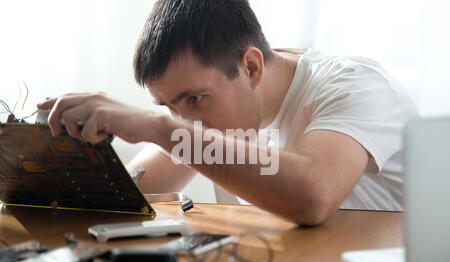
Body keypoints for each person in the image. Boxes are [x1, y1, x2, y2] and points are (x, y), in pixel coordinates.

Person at [37, 0, 419, 226]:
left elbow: (312, 197)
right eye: (168, 106)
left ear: (251, 67)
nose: (185, 121)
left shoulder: (355, 85)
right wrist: (60, 156)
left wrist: (155, 125)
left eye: (194, 100)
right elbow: (132, 193)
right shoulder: (216, 104)